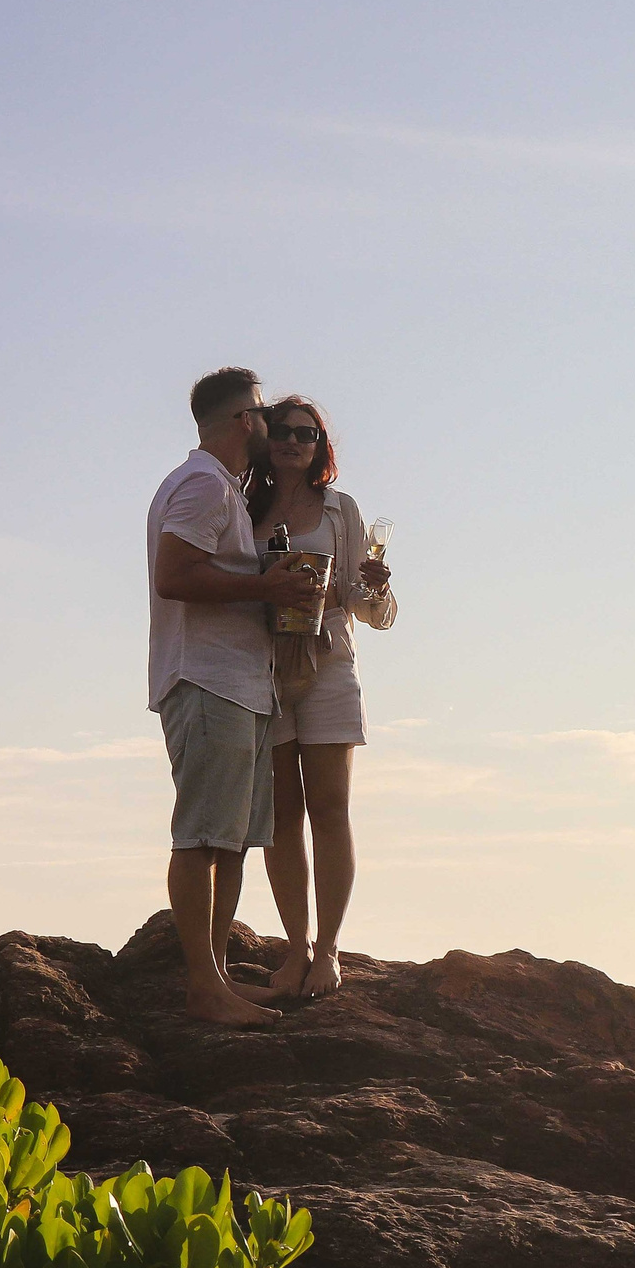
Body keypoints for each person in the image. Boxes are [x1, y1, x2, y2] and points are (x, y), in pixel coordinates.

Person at [148, 366, 324, 1026]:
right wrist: (266, 586)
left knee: (232, 840)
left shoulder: (221, 487)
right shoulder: (199, 484)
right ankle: (203, 987)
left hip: (240, 684)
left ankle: (216, 978)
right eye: (260, 412)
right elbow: (174, 575)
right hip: (206, 678)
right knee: (200, 838)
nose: (270, 422)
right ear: (240, 422)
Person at [247, 396, 396, 997]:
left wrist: (371, 590)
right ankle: (295, 951)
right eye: (280, 431)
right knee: (281, 815)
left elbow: (373, 609)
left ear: (320, 444)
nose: (292, 442)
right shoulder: (243, 504)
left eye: (305, 433)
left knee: (329, 808)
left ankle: (329, 951)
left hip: (330, 662)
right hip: (264, 664)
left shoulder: (341, 510)